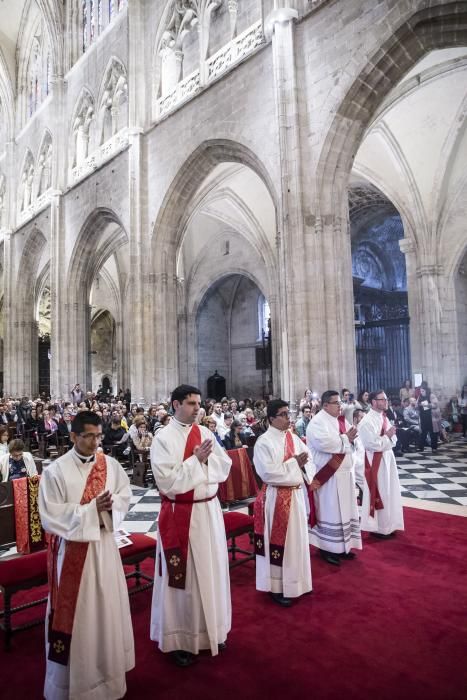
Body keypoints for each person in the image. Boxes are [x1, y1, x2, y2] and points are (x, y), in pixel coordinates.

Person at [38, 411, 134, 699]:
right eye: (88, 436)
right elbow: (50, 517)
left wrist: (109, 506)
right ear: (73, 436)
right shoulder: (56, 471)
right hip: (72, 556)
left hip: (104, 548)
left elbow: (124, 495)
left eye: (98, 436)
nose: (95, 442)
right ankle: (73, 682)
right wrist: (91, 510)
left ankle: (108, 675)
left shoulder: (110, 465)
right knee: (80, 617)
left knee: (106, 611)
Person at [150, 384, 232, 667]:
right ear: (175, 405)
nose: (198, 408)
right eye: (191, 403)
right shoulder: (162, 438)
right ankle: (179, 638)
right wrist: (196, 461)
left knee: (211, 571)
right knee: (182, 579)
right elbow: (168, 483)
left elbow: (224, 467)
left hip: (208, 511)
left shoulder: (206, 432)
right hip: (181, 515)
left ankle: (214, 630)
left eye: (198, 403)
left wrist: (203, 464)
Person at [253, 399, 316, 607]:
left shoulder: (292, 436)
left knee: (296, 542)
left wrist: (303, 466)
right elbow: (267, 473)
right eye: (283, 414)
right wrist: (293, 464)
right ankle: (278, 587)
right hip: (277, 497)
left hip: (296, 497)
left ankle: (298, 582)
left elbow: (309, 459)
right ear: (271, 418)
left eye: (289, 413)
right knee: (281, 544)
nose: (289, 418)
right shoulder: (264, 442)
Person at [306, 391, 362, 566]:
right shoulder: (316, 423)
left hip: (344, 475)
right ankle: (326, 548)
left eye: (340, 403)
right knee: (329, 512)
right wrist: (346, 439)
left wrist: (349, 440)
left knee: (344, 512)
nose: (340, 406)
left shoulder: (340, 420)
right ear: (325, 405)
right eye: (336, 403)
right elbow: (327, 444)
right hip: (328, 477)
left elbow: (353, 439)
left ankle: (343, 547)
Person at [358, 390, 404, 538]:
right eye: (382, 399)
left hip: (388, 459)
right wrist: (387, 438)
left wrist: (389, 438)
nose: (386, 402)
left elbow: (394, 439)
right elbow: (371, 444)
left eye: (386, 399)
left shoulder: (384, 417)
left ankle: (388, 525)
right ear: (373, 402)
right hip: (375, 462)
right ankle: (377, 528)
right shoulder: (366, 421)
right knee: (381, 492)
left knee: (390, 491)